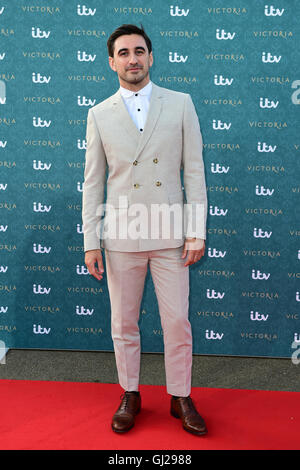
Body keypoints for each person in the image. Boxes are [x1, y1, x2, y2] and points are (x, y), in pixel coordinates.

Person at [82, 24, 208, 436]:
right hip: (121, 235)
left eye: (139, 51)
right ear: (111, 62)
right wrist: (90, 241)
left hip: (172, 234)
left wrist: (197, 231)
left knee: (177, 322)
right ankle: (130, 392)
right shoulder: (99, 114)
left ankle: (180, 395)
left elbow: (194, 171)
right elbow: (92, 182)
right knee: (123, 322)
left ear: (151, 57)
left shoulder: (181, 104)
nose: (132, 59)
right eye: (123, 53)